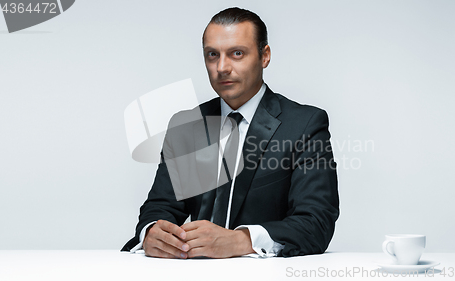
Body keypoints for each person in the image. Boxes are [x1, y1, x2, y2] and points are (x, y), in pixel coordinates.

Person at [122, 7, 339, 258]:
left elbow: (316, 222)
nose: (222, 67)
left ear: (264, 56)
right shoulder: (187, 125)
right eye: (212, 55)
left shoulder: (305, 124)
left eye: (237, 53)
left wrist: (241, 241)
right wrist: (152, 233)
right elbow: (160, 207)